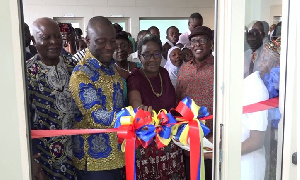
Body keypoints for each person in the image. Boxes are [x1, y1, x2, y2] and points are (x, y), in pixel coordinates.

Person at [69, 16, 125, 180]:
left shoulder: (110, 67)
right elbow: (94, 115)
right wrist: (130, 118)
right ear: (88, 40)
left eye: (112, 41)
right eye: (101, 41)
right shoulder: (81, 74)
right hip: (95, 163)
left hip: (117, 156)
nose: (109, 47)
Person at [127, 34, 185, 180]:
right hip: (148, 146)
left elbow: (173, 103)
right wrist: (142, 112)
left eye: (156, 54)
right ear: (139, 57)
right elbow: (136, 105)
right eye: (146, 55)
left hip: (171, 142)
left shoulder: (164, 73)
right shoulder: (135, 78)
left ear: (161, 55)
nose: (152, 59)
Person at [27, 17, 78, 180]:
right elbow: (23, 122)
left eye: (57, 36)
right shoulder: (27, 73)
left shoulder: (73, 65)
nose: (54, 42)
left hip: (78, 155)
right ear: (34, 40)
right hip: (45, 159)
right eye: (46, 37)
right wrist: (35, 168)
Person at [176, 26, 214, 180]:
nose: (197, 44)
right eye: (194, 41)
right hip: (188, 141)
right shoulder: (184, 69)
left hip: (213, 141)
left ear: (211, 43)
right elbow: (178, 100)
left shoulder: (221, 67)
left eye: (202, 40)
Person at [241, 71, 269, 180]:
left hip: (248, 166)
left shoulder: (256, 88)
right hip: (234, 163)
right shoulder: (240, 84)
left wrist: (220, 153)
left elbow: (256, 141)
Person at [113, 31, 137, 105]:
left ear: (129, 48)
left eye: (124, 46)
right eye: (116, 47)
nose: (120, 50)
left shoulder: (139, 67)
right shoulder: (109, 72)